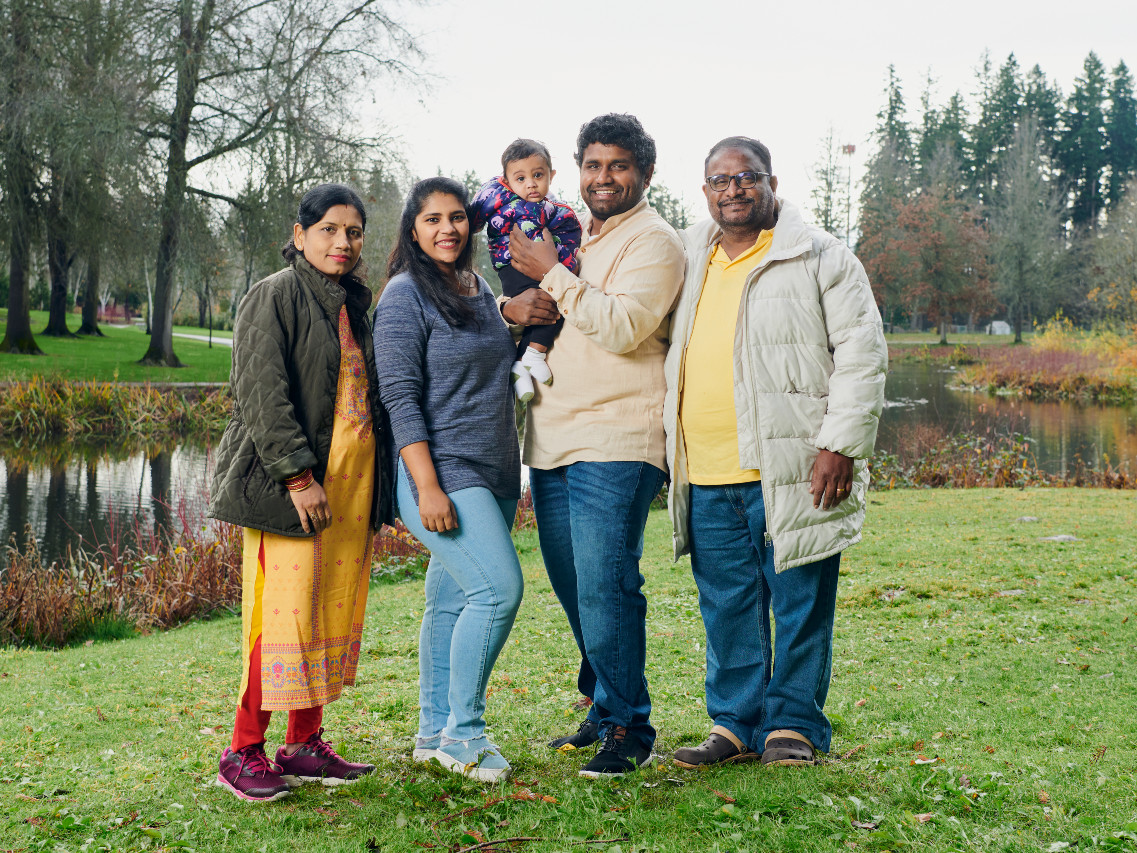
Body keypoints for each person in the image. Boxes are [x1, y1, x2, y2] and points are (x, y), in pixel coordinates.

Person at [663, 136, 888, 768]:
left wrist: (839, 445)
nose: (732, 190)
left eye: (746, 177)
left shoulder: (820, 256)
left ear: (771, 183)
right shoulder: (691, 257)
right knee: (727, 604)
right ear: (704, 190)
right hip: (705, 469)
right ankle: (735, 724)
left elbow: (862, 354)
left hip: (791, 465)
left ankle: (793, 725)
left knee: (799, 598)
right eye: (718, 180)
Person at [505, 114, 685, 777]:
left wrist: (552, 273)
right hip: (551, 437)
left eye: (616, 165)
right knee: (576, 587)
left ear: (643, 172)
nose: (601, 177)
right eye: (591, 165)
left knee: (607, 586)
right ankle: (602, 702)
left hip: (616, 437)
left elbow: (624, 327)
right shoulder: (575, 234)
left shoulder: (655, 242)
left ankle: (628, 727)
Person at [209, 183, 393, 802]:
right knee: (280, 617)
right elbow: (262, 393)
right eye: (329, 230)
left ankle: (303, 744)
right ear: (300, 235)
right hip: (295, 488)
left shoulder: (350, 302)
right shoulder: (276, 295)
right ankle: (242, 751)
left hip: (352, 485)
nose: (343, 243)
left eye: (354, 232)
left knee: (325, 611)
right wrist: (297, 476)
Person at [373, 177, 523, 783]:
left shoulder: (478, 288)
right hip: (441, 473)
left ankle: (433, 731)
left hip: (493, 470)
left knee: (452, 599)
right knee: (498, 593)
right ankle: (464, 737)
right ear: (413, 228)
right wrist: (426, 485)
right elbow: (399, 397)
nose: (447, 229)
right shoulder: (406, 295)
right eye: (432, 219)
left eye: (458, 217)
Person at [470, 138, 582, 402]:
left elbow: (569, 236)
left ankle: (523, 363)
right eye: (520, 178)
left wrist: (564, 268)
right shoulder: (501, 199)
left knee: (556, 298)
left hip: (541, 267)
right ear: (507, 180)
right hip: (512, 265)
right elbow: (475, 212)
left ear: (551, 176)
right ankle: (533, 355)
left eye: (538, 175)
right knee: (548, 302)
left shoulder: (554, 209)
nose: (530, 184)